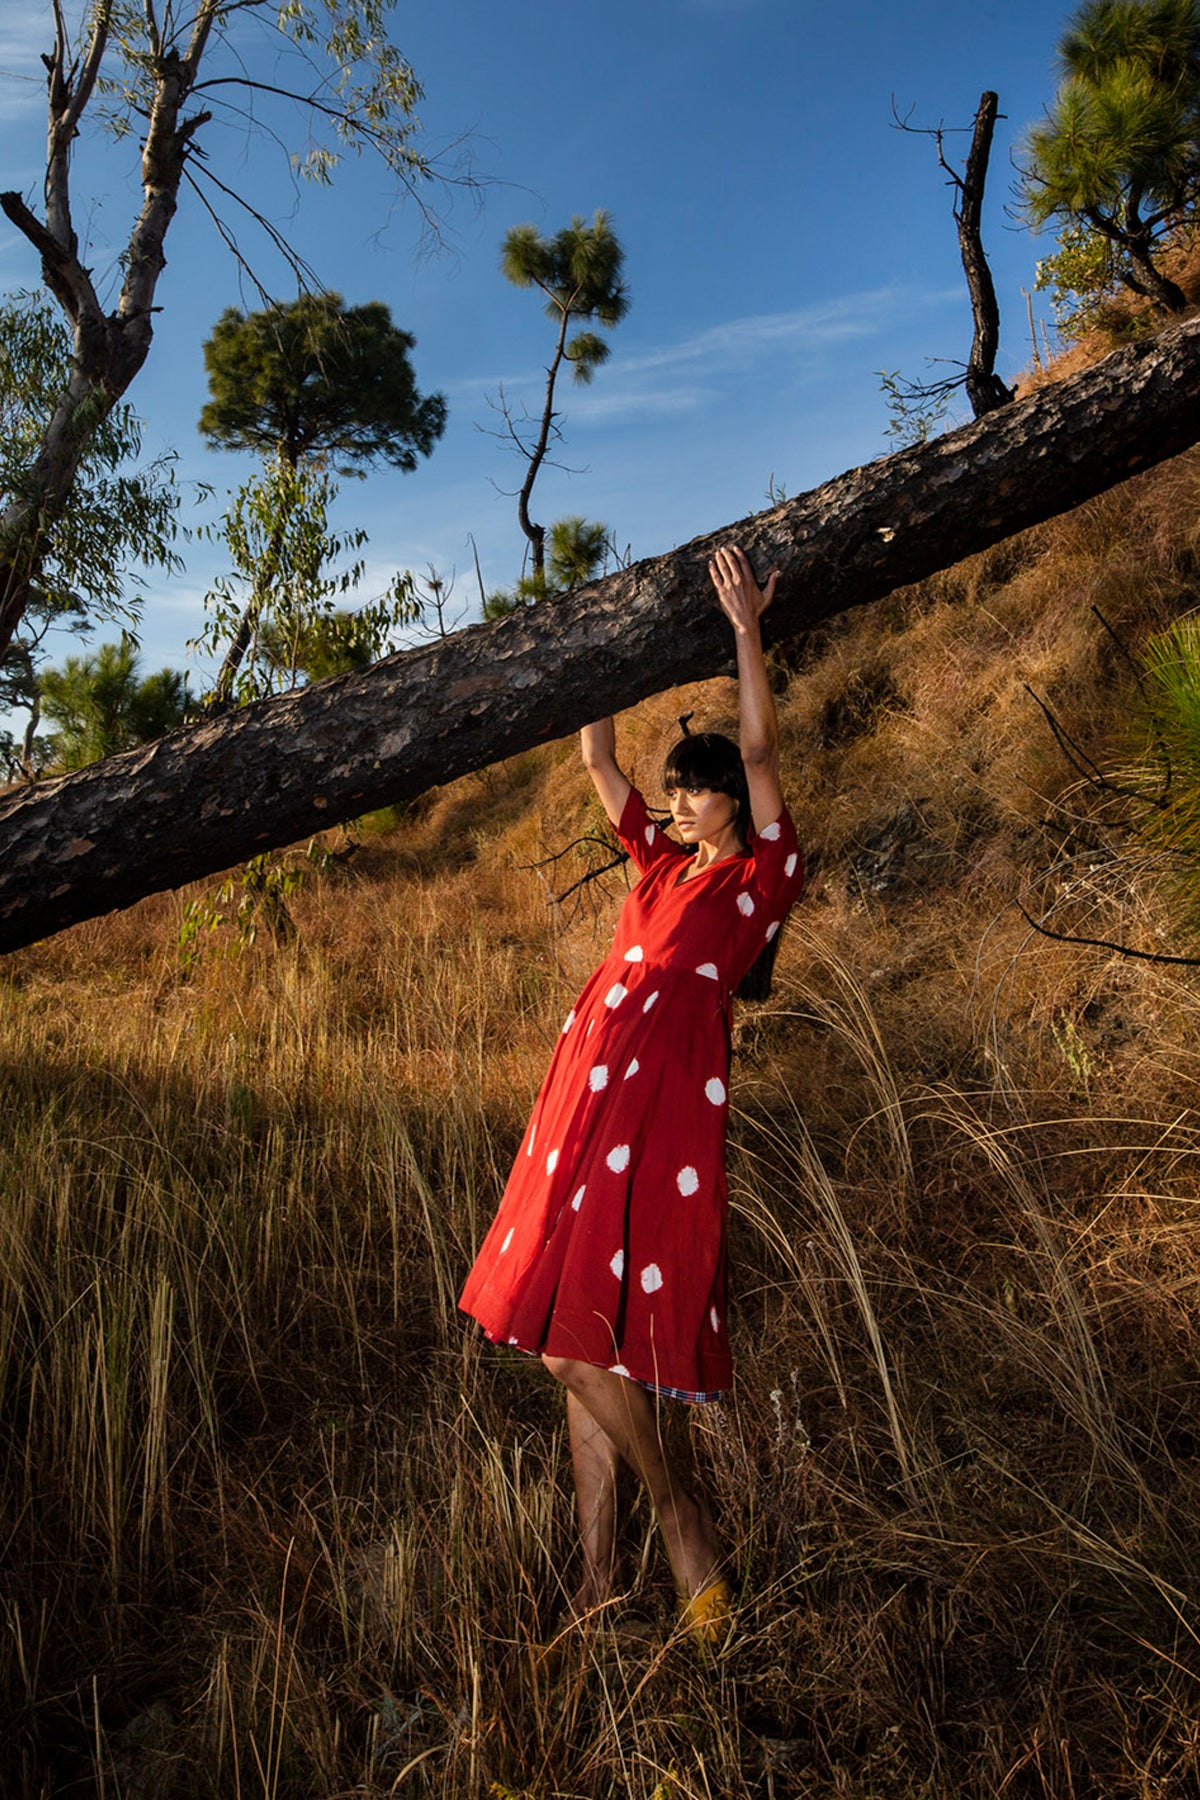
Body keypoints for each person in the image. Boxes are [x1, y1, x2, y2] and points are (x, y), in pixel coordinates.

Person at [458, 544, 805, 1640]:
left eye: (696, 789)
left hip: (663, 1093)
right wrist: (601, 644)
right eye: (681, 790)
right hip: (588, 1078)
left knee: (576, 1342)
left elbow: (758, 744)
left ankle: (677, 1512)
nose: (682, 800)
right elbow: (594, 755)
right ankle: (598, 1582)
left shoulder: (762, 878)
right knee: (576, 1329)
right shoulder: (655, 863)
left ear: (729, 806)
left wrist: (746, 631)